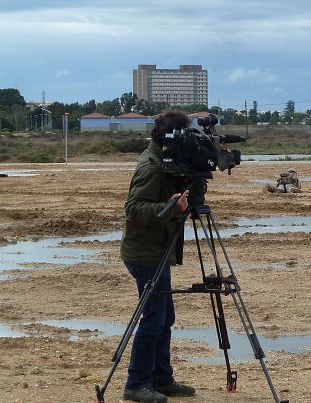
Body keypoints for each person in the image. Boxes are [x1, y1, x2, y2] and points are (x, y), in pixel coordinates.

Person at [119, 111, 196, 403]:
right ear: (172, 139)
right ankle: (136, 384)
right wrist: (169, 206)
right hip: (145, 254)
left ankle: (161, 378)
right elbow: (134, 208)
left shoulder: (164, 164)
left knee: (165, 317)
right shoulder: (151, 167)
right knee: (153, 319)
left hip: (155, 251)